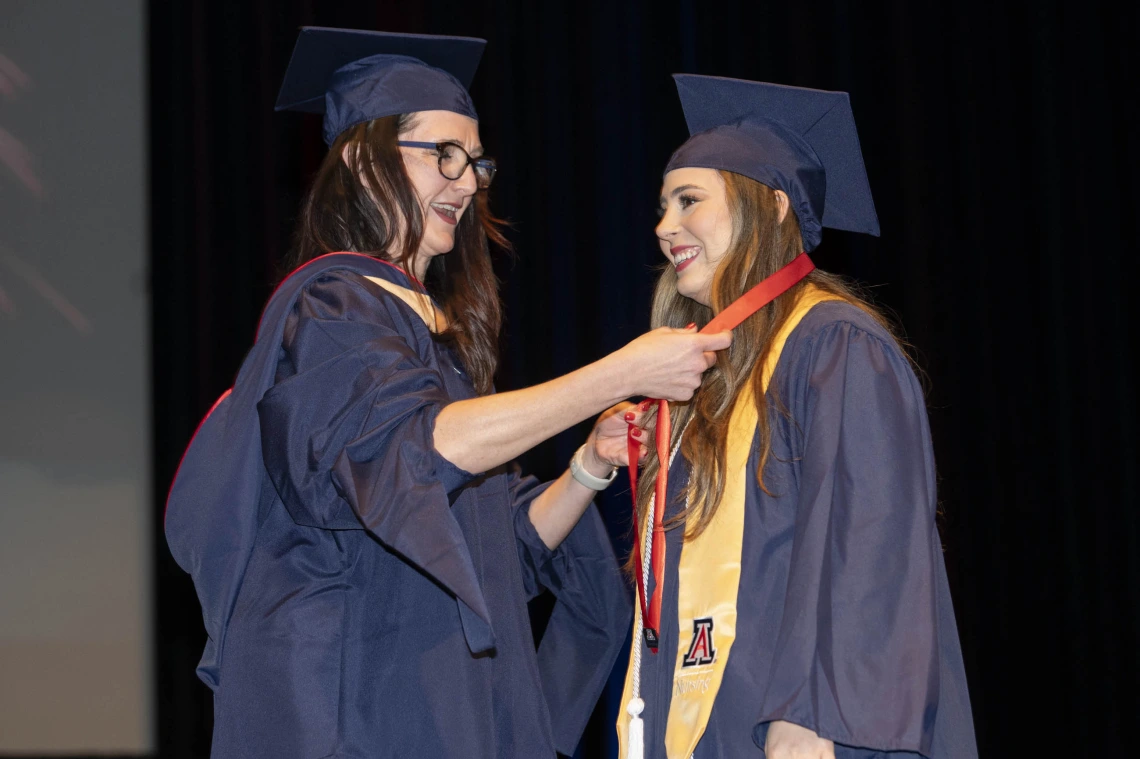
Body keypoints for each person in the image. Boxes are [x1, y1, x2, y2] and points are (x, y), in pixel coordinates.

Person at [164, 29, 730, 759]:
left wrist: (589, 464)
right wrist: (623, 370)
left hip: (434, 703)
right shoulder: (335, 311)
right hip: (360, 712)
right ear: (366, 165)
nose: (467, 183)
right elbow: (419, 450)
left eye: (476, 162)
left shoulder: (425, 333)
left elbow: (499, 547)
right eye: (444, 155)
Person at [616, 75, 977, 759]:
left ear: (772, 205)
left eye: (689, 200)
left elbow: (870, 543)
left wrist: (815, 719)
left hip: (806, 730)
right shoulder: (702, 387)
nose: (665, 227)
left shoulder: (833, 345)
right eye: (663, 206)